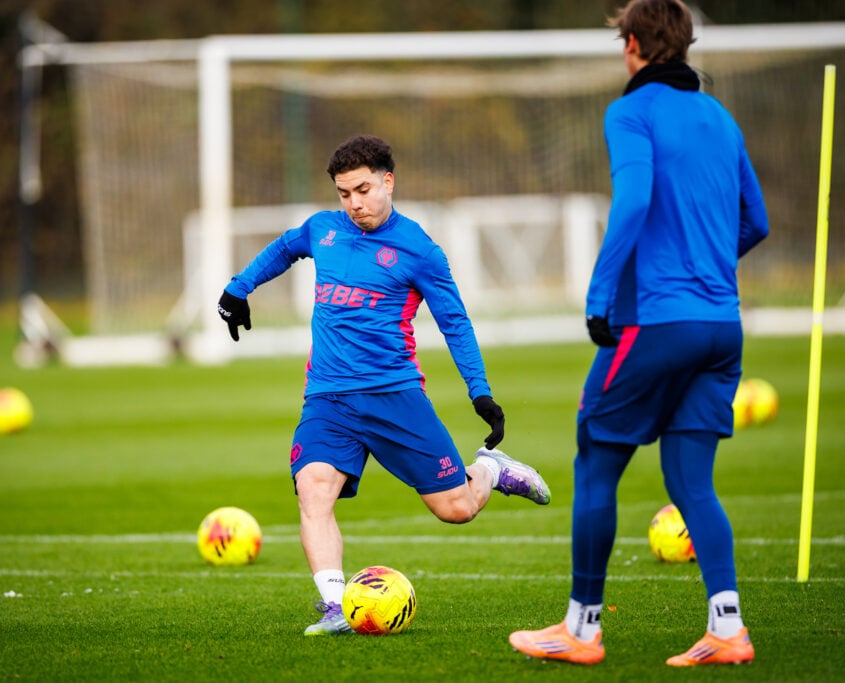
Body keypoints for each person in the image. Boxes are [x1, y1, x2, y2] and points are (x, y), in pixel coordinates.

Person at [509, 0, 769, 667]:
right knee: (691, 480)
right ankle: (727, 627)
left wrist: (600, 297)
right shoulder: (722, 116)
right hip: (722, 326)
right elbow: (756, 221)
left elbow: (633, 199)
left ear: (631, 44)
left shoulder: (630, 111)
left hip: (655, 321)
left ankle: (581, 630)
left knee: (595, 458)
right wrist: (704, 266)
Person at [217, 134, 551, 636]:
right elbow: (284, 248)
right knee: (313, 489)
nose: (354, 204)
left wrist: (479, 391)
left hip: (395, 395)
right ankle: (335, 607)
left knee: (455, 509)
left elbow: (455, 322)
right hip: (327, 396)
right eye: (344, 194)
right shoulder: (323, 231)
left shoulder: (418, 249)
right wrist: (238, 288)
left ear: (388, 182)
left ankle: (490, 470)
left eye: (364, 190)